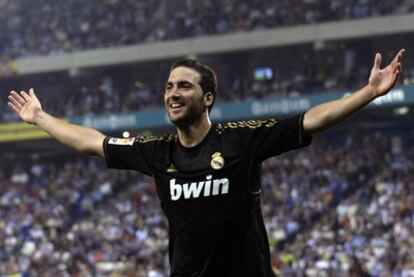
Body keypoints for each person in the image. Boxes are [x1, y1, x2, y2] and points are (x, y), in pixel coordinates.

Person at [7, 49, 404, 277]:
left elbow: (311, 119)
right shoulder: (157, 151)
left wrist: (369, 92)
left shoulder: (242, 140)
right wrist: (41, 118)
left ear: (208, 97)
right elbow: (92, 143)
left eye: (184, 86)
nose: (173, 94)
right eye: (168, 87)